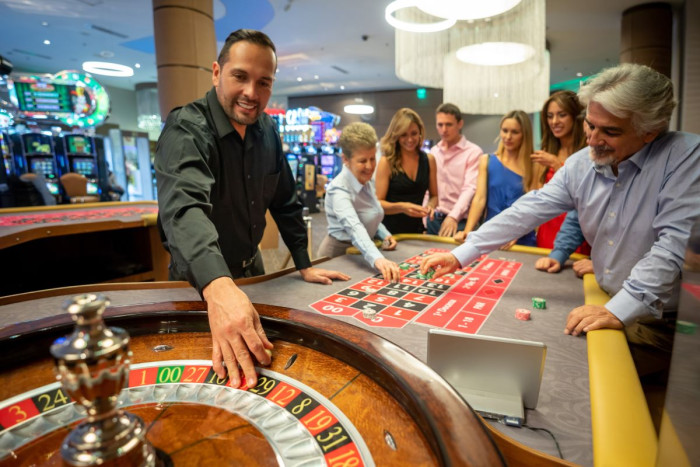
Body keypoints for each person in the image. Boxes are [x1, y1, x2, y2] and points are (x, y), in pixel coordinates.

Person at [420, 64, 700, 367]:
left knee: (568, 373)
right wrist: (461, 255)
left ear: (651, 130)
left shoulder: (685, 157)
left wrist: (618, 309)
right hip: (606, 297)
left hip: (666, 322)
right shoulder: (582, 164)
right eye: (591, 125)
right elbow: (527, 210)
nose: (592, 140)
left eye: (611, 131)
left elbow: (673, 245)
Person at [155, 29, 349, 389]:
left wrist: (303, 261)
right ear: (216, 73)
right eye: (240, 77)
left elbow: (285, 200)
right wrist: (217, 287)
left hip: (253, 268)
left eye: (264, 83)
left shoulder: (267, 130)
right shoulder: (186, 129)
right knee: (204, 384)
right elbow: (184, 211)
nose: (251, 93)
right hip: (198, 282)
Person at [318, 122, 400, 282]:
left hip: (361, 253)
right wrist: (378, 259)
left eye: (372, 158)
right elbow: (355, 227)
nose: (369, 166)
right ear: (346, 159)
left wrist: (385, 235)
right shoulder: (338, 189)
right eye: (362, 161)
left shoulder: (366, 181)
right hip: (337, 258)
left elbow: (371, 214)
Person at [454, 110, 538, 247]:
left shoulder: (534, 165)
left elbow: (534, 207)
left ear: (525, 135)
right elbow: (479, 199)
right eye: (505, 131)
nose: (508, 136)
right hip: (491, 234)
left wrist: (517, 234)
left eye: (515, 132)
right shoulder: (486, 160)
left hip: (521, 239)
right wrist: (467, 231)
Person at [531, 90, 592, 273]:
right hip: (547, 230)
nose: (554, 121)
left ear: (576, 116)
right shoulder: (545, 152)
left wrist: (558, 165)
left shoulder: (588, 153)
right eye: (550, 116)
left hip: (576, 232)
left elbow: (584, 194)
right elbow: (537, 199)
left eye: (561, 115)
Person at [375, 108, 438, 234]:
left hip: (417, 231)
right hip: (388, 233)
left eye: (414, 133)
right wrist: (402, 207)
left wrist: (430, 206)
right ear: (396, 135)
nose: (409, 139)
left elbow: (434, 196)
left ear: (420, 132)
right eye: (404, 135)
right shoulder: (386, 162)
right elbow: (378, 204)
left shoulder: (429, 160)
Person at [426, 103, 483, 237]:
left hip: (460, 221)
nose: (444, 129)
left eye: (449, 124)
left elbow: (469, 189)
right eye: (440, 125)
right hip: (433, 220)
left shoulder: (473, 152)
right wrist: (424, 219)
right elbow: (428, 190)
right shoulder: (433, 152)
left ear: (460, 124)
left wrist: (453, 217)